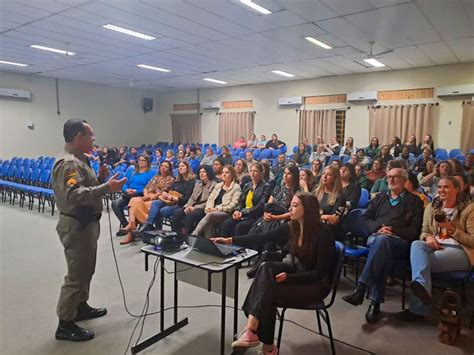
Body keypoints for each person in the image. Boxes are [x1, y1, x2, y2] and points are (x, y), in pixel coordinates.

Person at [216, 193, 335, 355]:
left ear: (307, 209)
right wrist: (229, 240)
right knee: (265, 268)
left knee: (268, 293)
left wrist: (289, 277)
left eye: (295, 205)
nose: (289, 209)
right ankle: (256, 336)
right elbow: (261, 236)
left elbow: (319, 273)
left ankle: (263, 344)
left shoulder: (323, 233)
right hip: (299, 272)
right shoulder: (293, 226)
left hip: (316, 285)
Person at [52, 119, 126, 341]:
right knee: (76, 275)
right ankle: (65, 323)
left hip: (86, 224)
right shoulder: (68, 164)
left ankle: (80, 307)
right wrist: (106, 188)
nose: (94, 138)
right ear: (78, 137)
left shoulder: (81, 160)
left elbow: (87, 187)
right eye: (90, 134)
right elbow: (73, 196)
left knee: (86, 270)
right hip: (77, 225)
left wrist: (103, 178)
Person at [342, 168, 423, 324]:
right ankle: (374, 303)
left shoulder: (414, 201)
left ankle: (362, 290)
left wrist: (393, 230)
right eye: (388, 177)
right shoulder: (380, 198)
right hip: (377, 236)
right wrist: (379, 228)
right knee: (381, 244)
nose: (390, 180)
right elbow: (365, 218)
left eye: (395, 177)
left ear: (404, 180)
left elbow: (415, 230)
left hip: (400, 242)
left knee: (381, 246)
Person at [395, 176, 473, 322]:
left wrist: (451, 229)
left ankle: (418, 310)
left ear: (456, 189)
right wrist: (428, 237)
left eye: (446, 187)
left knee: (419, 263)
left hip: (459, 251)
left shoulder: (469, 209)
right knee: (416, 245)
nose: (442, 190)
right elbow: (424, 230)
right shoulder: (432, 207)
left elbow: (472, 241)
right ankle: (423, 293)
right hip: (435, 246)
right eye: (440, 187)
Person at [120, 161, 174, 245]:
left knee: (134, 206)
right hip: (148, 198)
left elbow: (162, 192)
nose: (163, 167)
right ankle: (132, 224)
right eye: (162, 166)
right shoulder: (156, 176)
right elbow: (146, 188)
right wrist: (146, 196)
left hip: (156, 200)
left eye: (166, 167)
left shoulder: (170, 179)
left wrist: (151, 195)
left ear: (169, 169)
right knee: (134, 200)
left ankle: (131, 231)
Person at [138, 160, 195, 233]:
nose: (180, 168)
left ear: (188, 168)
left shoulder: (191, 181)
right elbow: (170, 191)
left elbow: (187, 199)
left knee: (161, 211)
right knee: (155, 203)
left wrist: (173, 197)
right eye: (179, 166)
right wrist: (165, 194)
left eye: (182, 166)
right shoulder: (177, 180)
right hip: (169, 200)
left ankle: (158, 230)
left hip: (180, 202)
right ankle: (149, 224)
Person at [219, 162, 272, 236]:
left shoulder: (266, 186)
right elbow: (241, 202)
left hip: (254, 215)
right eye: (251, 171)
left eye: (255, 171)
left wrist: (243, 213)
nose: (253, 173)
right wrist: (237, 211)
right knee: (226, 224)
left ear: (261, 173)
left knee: (240, 227)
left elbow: (261, 205)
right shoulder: (247, 185)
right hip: (243, 213)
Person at [191, 166, 242, 237]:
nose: (224, 174)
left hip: (226, 212)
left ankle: (195, 234)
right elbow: (210, 199)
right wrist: (208, 208)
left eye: (227, 173)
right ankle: (208, 241)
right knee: (210, 219)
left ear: (232, 175)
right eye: (223, 172)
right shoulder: (218, 186)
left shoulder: (236, 188)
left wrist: (216, 209)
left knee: (210, 215)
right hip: (213, 211)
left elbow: (232, 205)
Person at [112, 154, 155, 236]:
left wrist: (136, 191)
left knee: (133, 205)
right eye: (140, 160)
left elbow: (149, 187)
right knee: (115, 203)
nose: (141, 162)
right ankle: (126, 225)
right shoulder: (132, 171)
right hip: (128, 194)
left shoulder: (151, 173)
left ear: (148, 162)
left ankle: (132, 228)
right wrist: (126, 189)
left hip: (140, 195)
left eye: (144, 160)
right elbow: (124, 183)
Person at [171, 165, 218, 234]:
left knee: (190, 215)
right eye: (200, 172)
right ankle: (175, 234)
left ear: (209, 173)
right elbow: (192, 198)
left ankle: (188, 237)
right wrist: (186, 207)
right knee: (177, 212)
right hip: (192, 206)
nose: (201, 174)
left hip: (203, 208)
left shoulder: (215, 185)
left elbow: (210, 202)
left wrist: (194, 207)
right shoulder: (198, 184)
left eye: (204, 172)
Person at [314, 166, 347, 241]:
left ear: (335, 179)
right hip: (315, 227)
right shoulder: (316, 192)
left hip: (331, 232)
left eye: (329, 175)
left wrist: (313, 217)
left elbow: (333, 220)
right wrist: (326, 216)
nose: (324, 176)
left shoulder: (340, 197)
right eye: (324, 174)